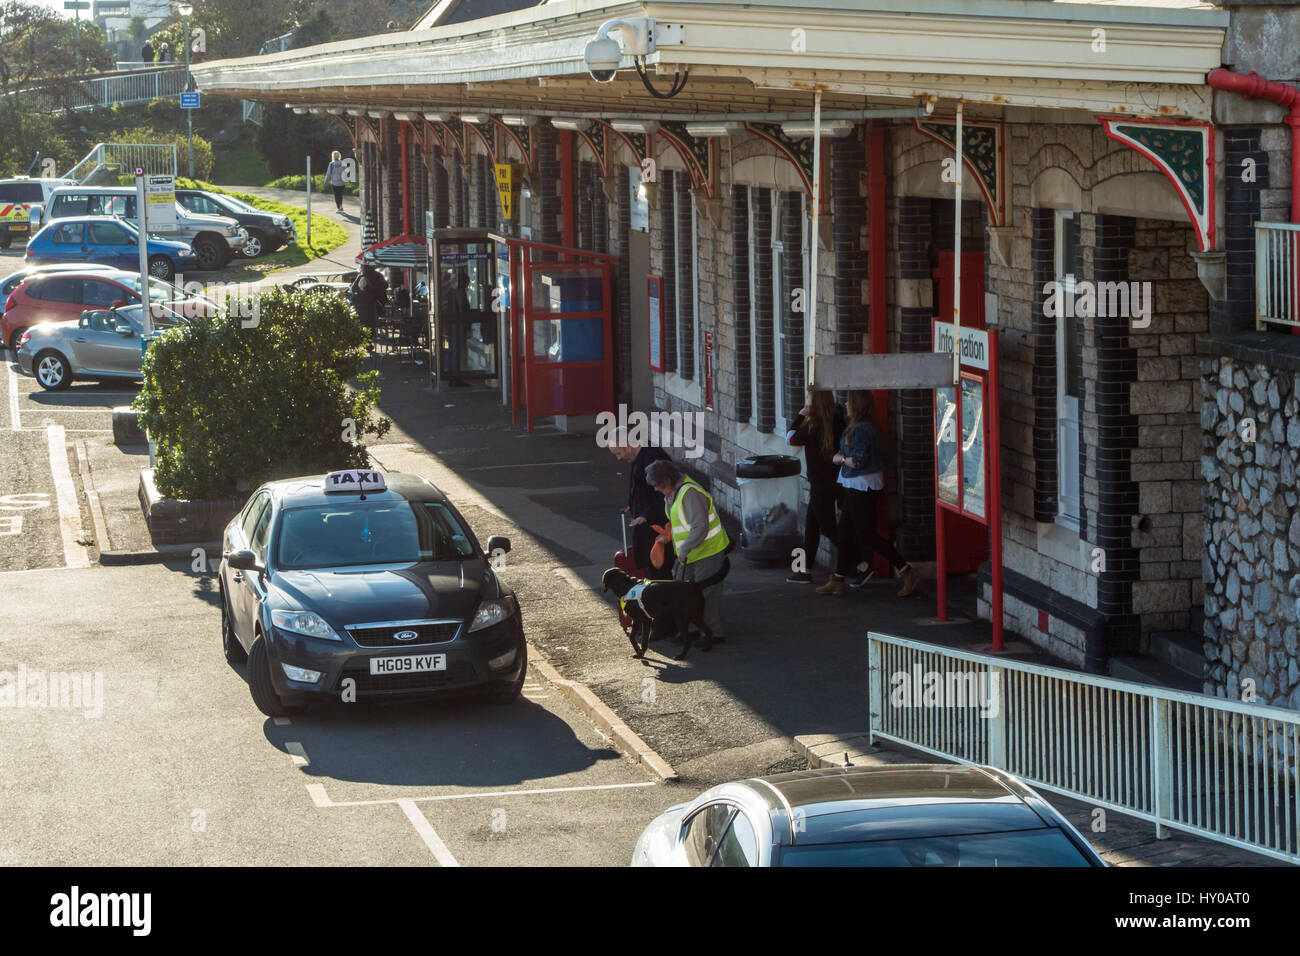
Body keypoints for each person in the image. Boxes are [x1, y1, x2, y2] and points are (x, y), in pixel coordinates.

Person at [817, 390, 920, 598]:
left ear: (857, 406)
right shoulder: (862, 427)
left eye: (849, 402)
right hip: (857, 485)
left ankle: (907, 571)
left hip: (862, 486)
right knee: (845, 531)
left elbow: (857, 460)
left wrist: (839, 460)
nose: (845, 405)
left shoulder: (861, 429)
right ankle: (837, 579)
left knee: (867, 535)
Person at [646, 458, 729, 643]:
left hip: (708, 550)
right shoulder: (673, 492)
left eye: (657, 485)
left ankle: (713, 633)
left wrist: (683, 549)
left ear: (667, 480)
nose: (655, 489)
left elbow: (700, 526)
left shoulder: (690, 494)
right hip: (692, 552)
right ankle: (691, 630)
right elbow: (681, 522)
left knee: (706, 594)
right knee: (684, 592)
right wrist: (668, 537)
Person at [786, 388, 846, 584]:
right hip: (837, 480)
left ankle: (862, 564)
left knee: (829, 529)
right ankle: (805, 570)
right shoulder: (839, 419)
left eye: (808, 399)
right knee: (811, 526)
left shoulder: (811, 426)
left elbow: (791, 439)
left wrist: (800, 414)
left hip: (820, 484)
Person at [612, 429, 674, 578]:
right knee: (650, 569)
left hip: (657, 528)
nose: (618, 458)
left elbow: (663, 494)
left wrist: (645, 515)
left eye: (618, 453)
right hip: (648, 526)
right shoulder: (638, 456)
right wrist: (633, 504)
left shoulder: (652, 458)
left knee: (658, 571)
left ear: (627, 445)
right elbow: (641, 488)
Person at [350, 263, 388, 339]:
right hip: (378, 306)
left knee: (361, 319)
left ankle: (364, 336)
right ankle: (370, 336)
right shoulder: (378, 275)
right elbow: (385, 285)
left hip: (363, 306)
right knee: (370, 322)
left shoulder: (361, 276)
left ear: (363, 268)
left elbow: (353, 288)